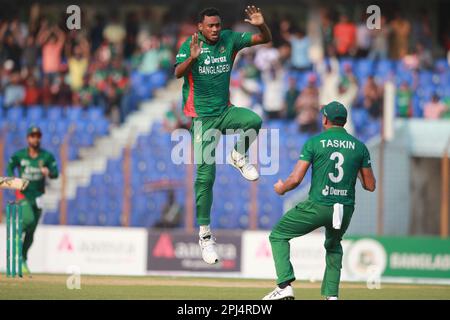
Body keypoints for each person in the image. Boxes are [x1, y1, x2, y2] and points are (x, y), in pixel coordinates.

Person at [174, 6, 271, 264]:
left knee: (253, 120)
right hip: (202, 120)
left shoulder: (230, 39)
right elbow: (177, 73)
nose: (215, 29)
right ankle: (205, 236)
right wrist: (192, 58)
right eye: (210, 26)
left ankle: (238, 155)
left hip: (224, 112)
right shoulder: (190, 44)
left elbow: (265, 39)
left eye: (218, 25)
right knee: (205, 177)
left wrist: (261, 25)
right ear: (200, 27)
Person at [263, 101, 376, 300]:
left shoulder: (314, 142)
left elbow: (296, 179)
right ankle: (331, 296)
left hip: (319, 204)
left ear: (325, 119)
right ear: (345, 121)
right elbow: (370, 185)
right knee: (334, 245)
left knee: (278, 235)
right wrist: (355, 166)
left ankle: (284, 286)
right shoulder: (360, 147)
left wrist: (282, 188)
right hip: (344, 208)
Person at [7, 126, 59, 276]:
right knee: (28, 219)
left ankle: (22, 259)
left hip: (38, 197)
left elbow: (56, 174)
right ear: (27, 138)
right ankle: (16, 234)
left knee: (31, 233)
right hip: (23, 194)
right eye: (32, 136)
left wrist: (48, 172)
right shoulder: (20, 155)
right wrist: (13, 180)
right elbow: (10, 165)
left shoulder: (46, 157)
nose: (35, 139)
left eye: (37, 136)